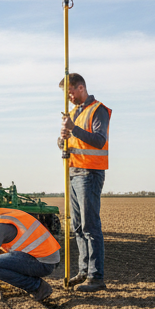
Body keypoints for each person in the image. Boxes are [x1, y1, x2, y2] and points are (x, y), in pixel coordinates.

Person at [57, 73, 111, 292]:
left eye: (69, 92)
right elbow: (68, 142)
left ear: (81, 88)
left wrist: (73, 129)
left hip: (90, 173)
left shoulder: (98, 109)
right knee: (77, 227)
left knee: (90, 226)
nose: (68, 97)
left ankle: (96, 277)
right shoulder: (72, 113)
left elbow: (99, 141)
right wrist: (62, 139)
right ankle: (83, 271)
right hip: (73, 171)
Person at [0, 200, 60, 303]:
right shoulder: (7, 214)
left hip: (43, 263)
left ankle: (37, 287)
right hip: (50, 258)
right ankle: (36, 284)